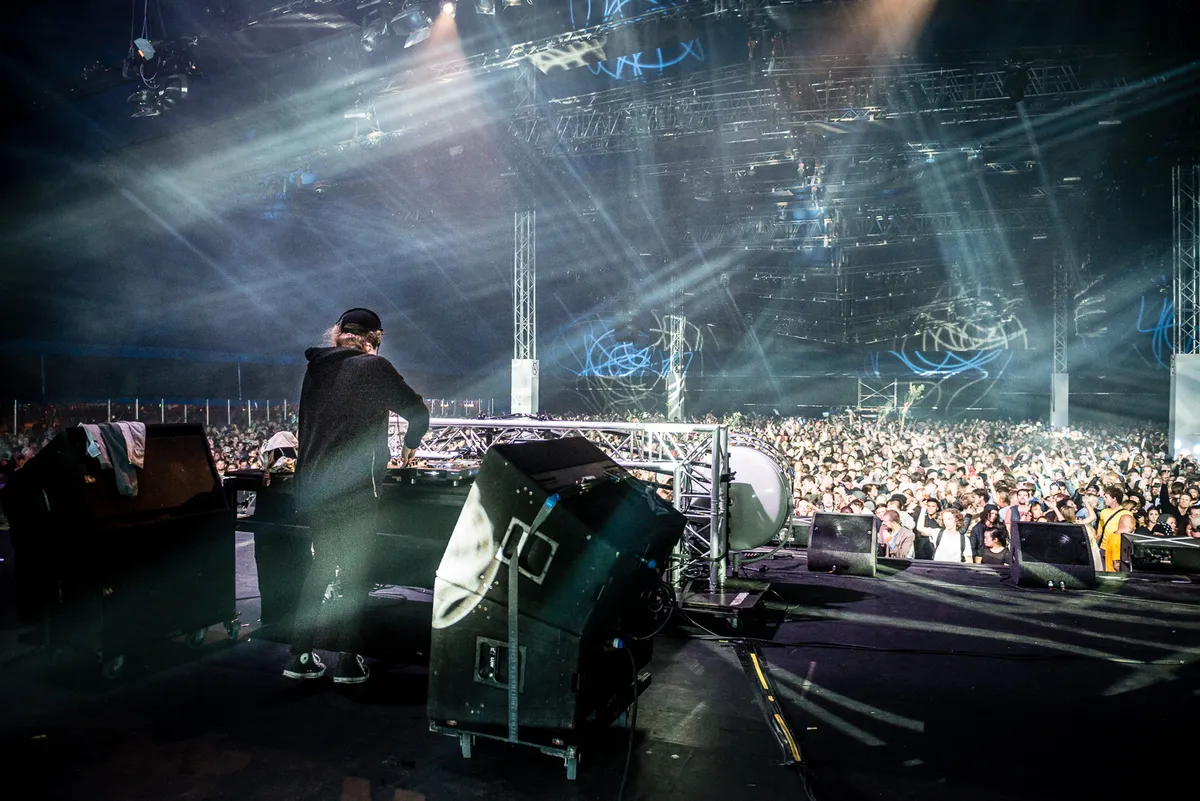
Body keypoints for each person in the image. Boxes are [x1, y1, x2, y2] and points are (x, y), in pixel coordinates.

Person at [284, 308, 431, 684]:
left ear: (338, 333)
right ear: (375, 337)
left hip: (314, 485)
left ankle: (300, 656)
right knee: (353, 574)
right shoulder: (373, 367)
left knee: (321, 567)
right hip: (354, 487)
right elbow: (418, 412)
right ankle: (348, 662)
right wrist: (409, 448)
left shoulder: (316, 368)